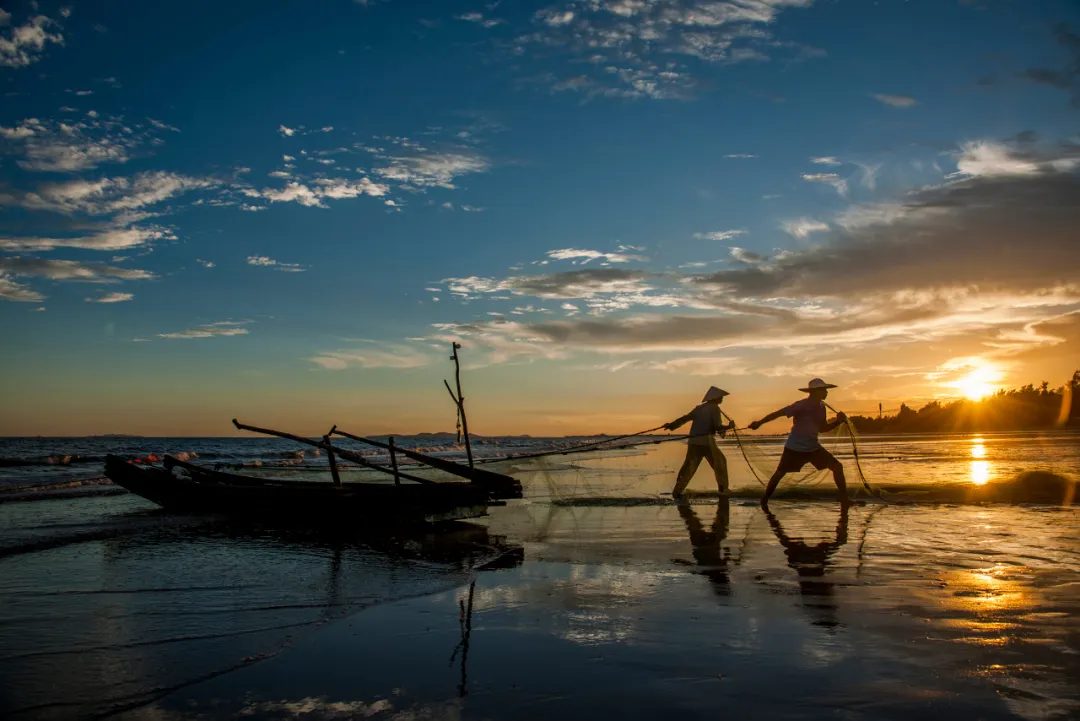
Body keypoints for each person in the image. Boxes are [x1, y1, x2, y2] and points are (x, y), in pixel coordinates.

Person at [748, 378, 850, 508]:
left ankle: (844, 500)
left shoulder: (822, 407)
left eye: (826, 389)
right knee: (780, 473)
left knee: (837, 467)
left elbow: (822, 429)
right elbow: (778, 413)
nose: (826, 392)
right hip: (795, 448)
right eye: (823, 390)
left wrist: (838, 421)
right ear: (814, 392)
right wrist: (759, 423)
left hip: (813, 447)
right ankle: (764, 501)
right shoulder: (801, 405)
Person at [664, 386, 736, 498]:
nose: (722, 399)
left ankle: (677, 492)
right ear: (716, 398)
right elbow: (717, 427)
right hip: (706, 443)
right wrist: (729, 427)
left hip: (694, 441)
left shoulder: (699, 408)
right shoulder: (714, 408)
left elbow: (685, 418)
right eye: (721, 397)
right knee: (720, 464)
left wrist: (672, 425)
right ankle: (723, 490)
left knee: (688, 467)